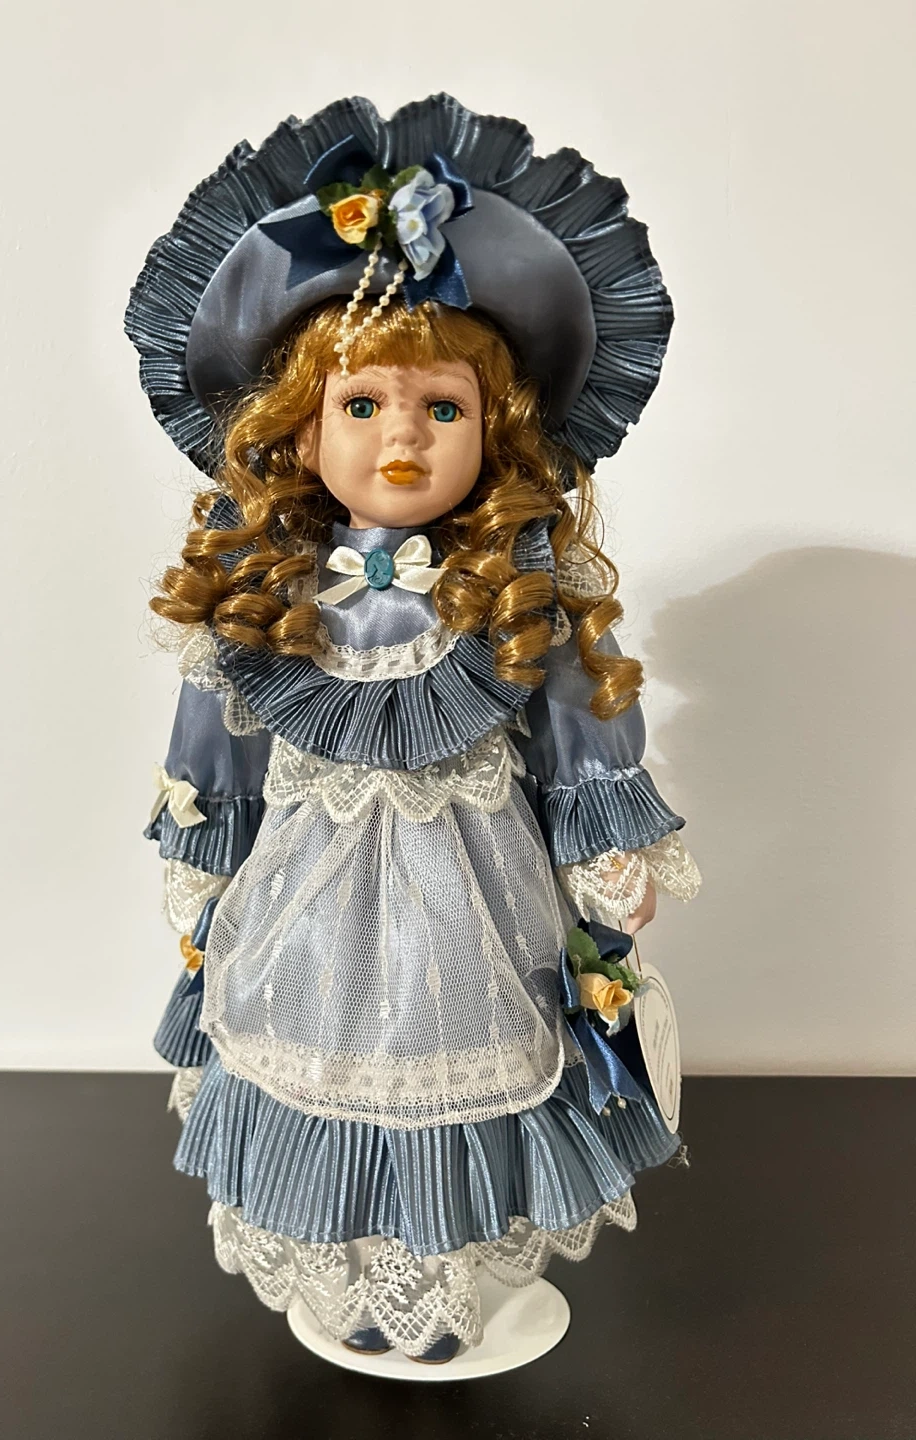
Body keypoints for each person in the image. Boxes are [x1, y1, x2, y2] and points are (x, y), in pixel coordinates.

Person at [127, 94, 700, 1365]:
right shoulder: (263, 594)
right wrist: (202, 867)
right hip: (304, 909)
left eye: (442, 408)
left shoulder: (519, 585)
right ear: (301, 425)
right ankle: (355, 1282)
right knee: (316, 1057)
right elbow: (215, 749)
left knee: (469, 1066)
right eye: (363, 403)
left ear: (495, 432)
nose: (402, 436)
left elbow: (583, 731)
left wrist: (607, 858)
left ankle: (444, 1281)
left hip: (476, 909)